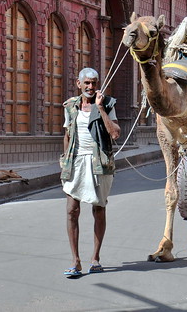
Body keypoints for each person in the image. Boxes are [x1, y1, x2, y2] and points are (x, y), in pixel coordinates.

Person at [60, 67, 121, 277]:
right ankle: (75, 261)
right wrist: (65, 159)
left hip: (99, 164)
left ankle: (95, 258)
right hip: (75, 162)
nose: (90, 87)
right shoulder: (70, 106)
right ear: (79, 84)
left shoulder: (108, 104)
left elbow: (115, 134)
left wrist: (101, 108)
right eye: (86, 83)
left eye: (94, 83)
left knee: (99, 209)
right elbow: (67, 134)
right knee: (71, 210)